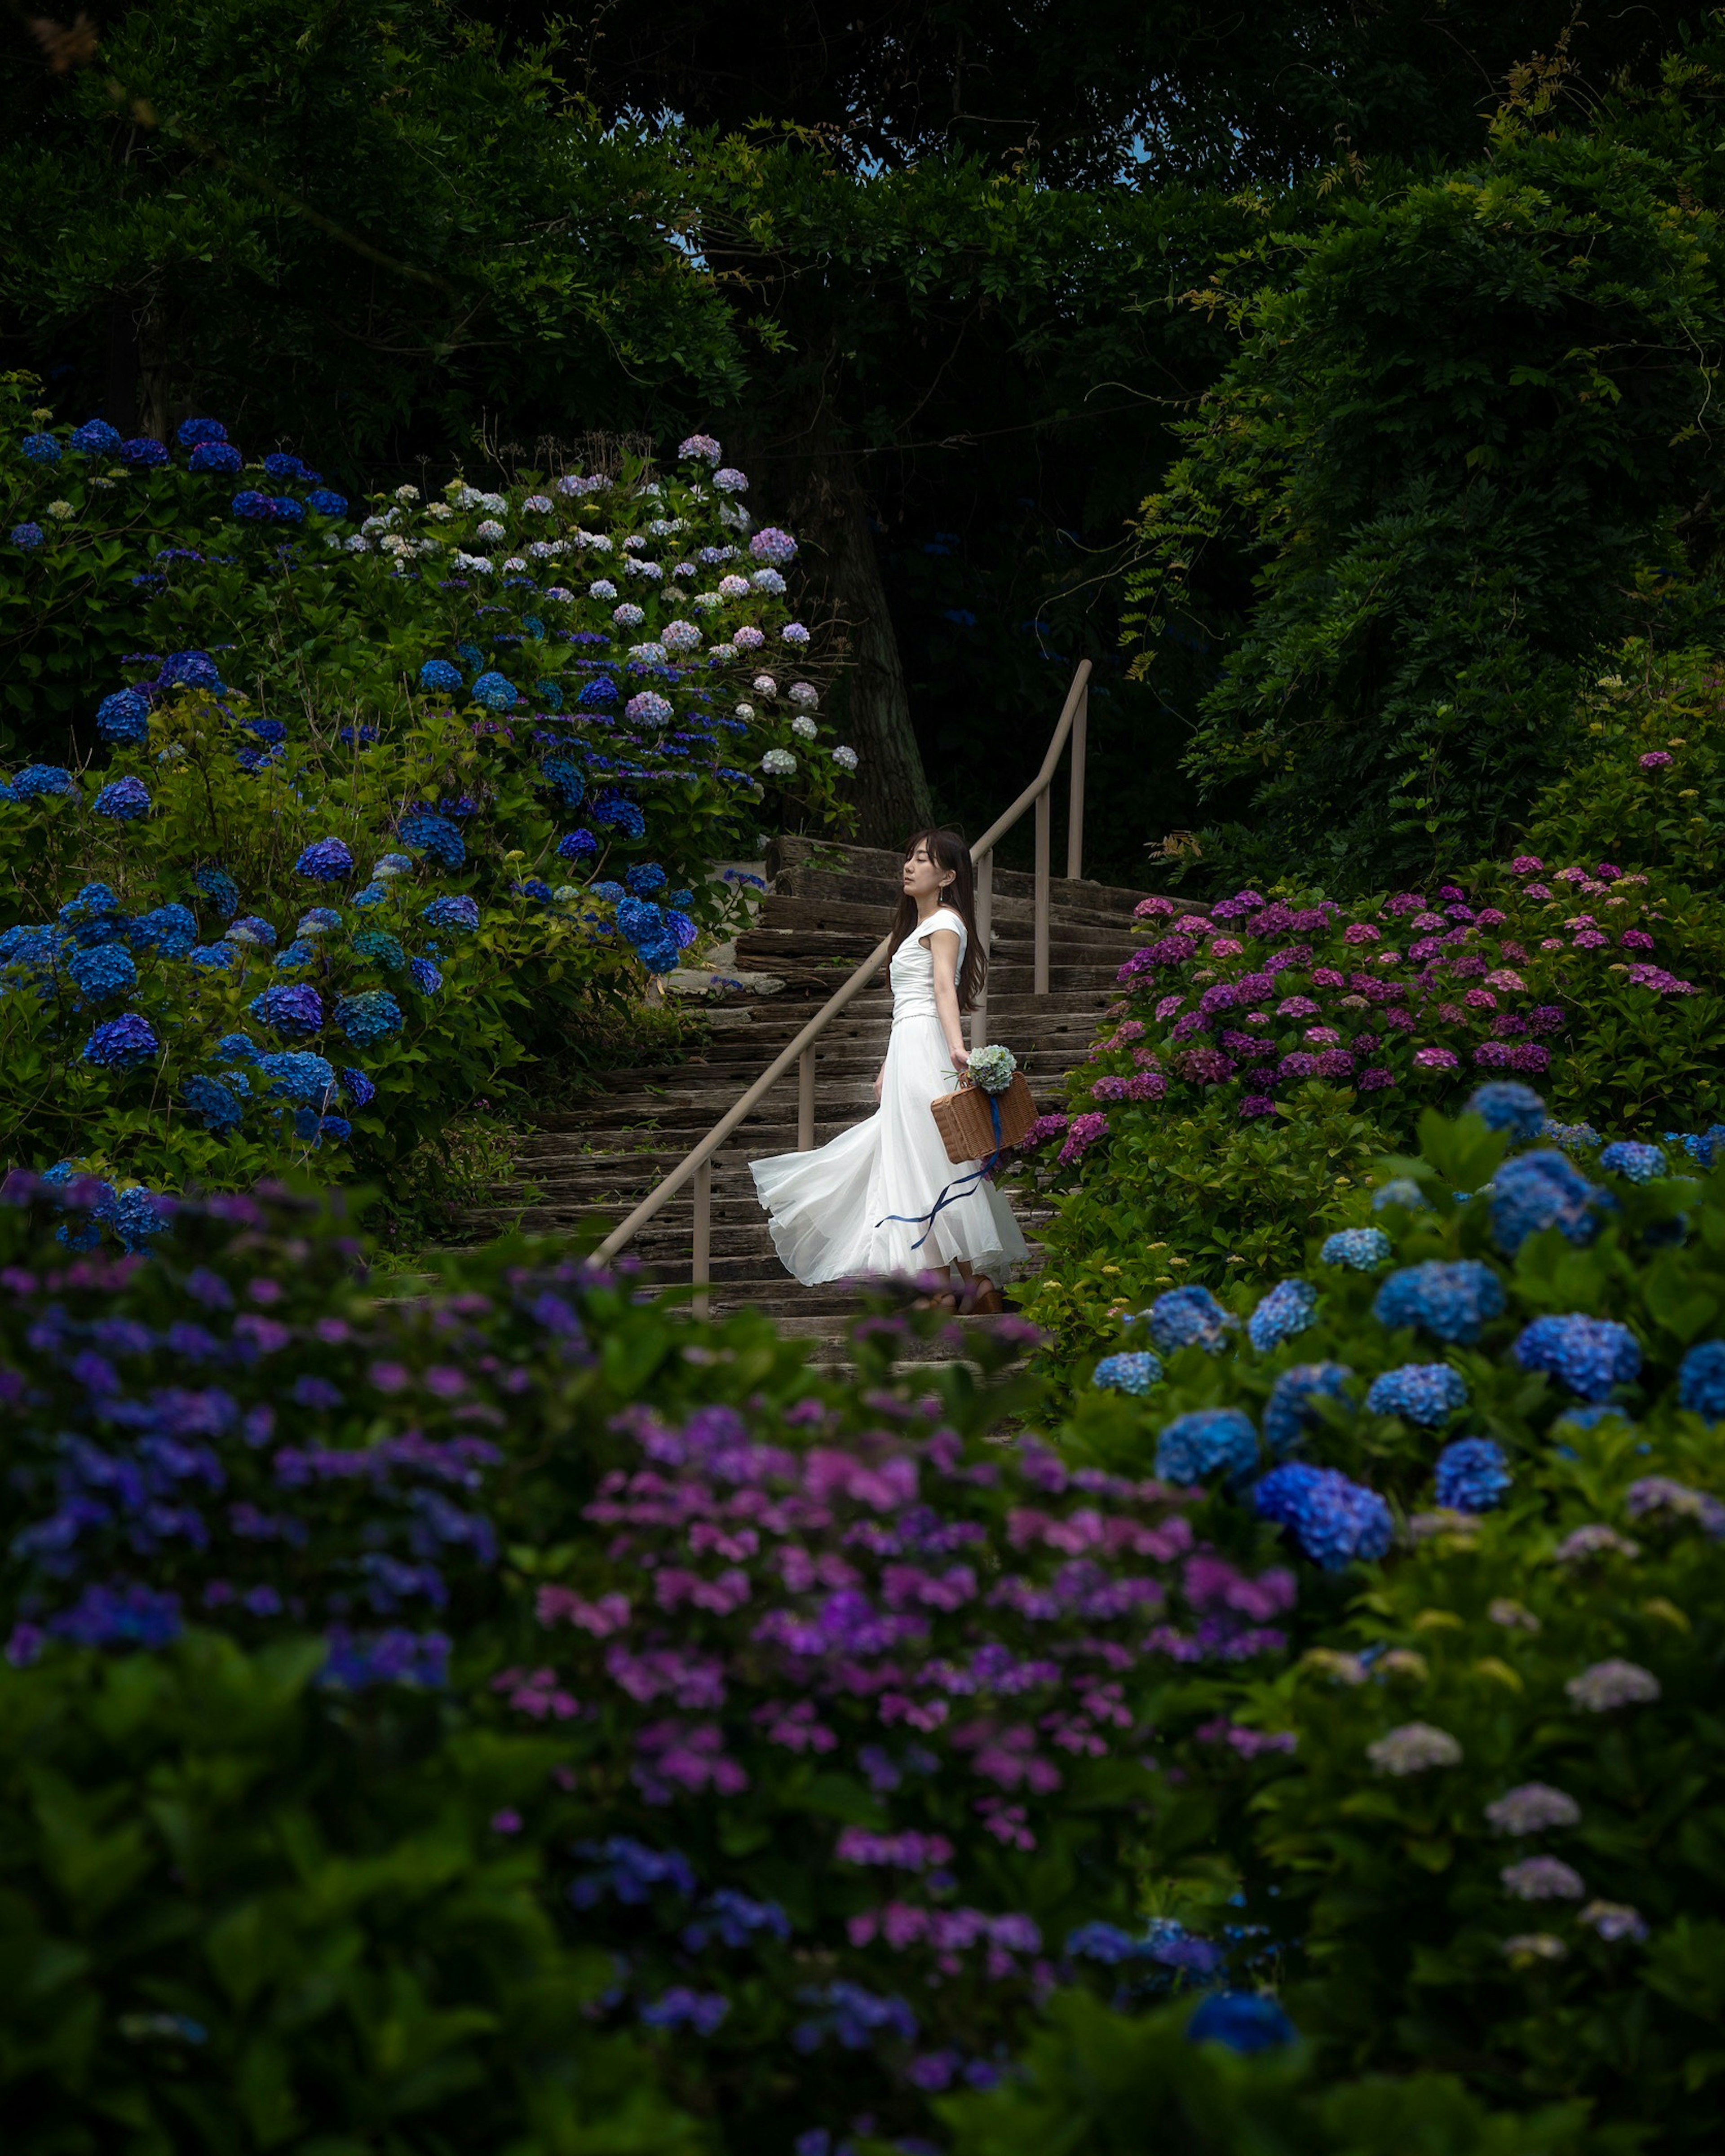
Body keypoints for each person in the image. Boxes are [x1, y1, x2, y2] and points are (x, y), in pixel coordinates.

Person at [750, 827, 1030, 1311]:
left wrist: (957, 1048)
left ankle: (967, 1283)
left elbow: (944, 989)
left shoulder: (946, 922)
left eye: (924, 860)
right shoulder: (917, 927)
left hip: (926, 1046)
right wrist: (885, 1066)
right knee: (912, 1162)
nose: (910, 866)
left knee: (934, 1160)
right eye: (910, 857)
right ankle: (952, 1286)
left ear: (947, 875)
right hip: (907, 1046)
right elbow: (907, 1007)